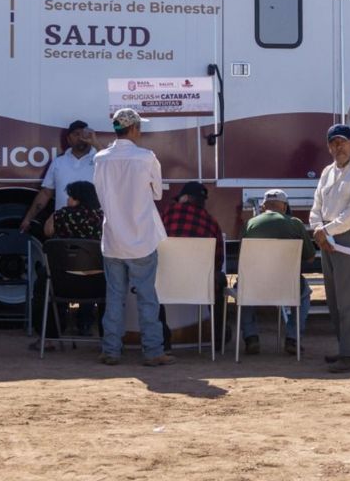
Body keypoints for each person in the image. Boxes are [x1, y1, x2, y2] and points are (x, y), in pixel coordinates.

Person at [93, 108, 172, 367]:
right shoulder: (146, 157)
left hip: (113, 239)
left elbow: (100, 194)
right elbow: (158, 194)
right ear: (135, 129)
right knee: (147, 296)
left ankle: (111, 350)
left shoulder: (101, 158)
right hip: (141, 238)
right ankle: (152, 351)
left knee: (114, 296)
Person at [310, 124, 350, 373]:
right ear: (329, 147)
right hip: (328, 236)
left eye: (343, 142)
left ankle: (349, 354)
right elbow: (317, 205)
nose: (339, 147)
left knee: (349, 298)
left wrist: (325, 231)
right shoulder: (328, 171)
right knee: (335, 298)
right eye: (334, 143)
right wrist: (318, 229)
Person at [238, 189, 315, 356]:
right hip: (286, 285)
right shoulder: (295, 223)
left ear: (264, 206)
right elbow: (310, 258)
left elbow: (241, 258)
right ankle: (292, 339)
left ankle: (251, 338)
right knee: (305, 294)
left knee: (243, 287)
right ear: (284, 206)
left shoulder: (250, 224)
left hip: (255, 285)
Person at [159, 181, 226, 353]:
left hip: (167, 282)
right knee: (219, 281)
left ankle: (163, 342)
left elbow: (155, 241)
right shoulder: (212, 223)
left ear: (186, 197)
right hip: (200, 284)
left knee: (152, 288)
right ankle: (218, 339)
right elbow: (218, 259)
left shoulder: (168, 212)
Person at [46, 180, 103, 336]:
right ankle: (102, 335)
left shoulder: (60, 215)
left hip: (62, 283)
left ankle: (50, 336)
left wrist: (56, 214)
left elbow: (47, 231)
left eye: (70, 196)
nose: (67, 200)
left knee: (42, 285)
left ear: (78, 198)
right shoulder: (101, 217)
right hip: (96, 285)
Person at [20, 120, 96, 234]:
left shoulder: (100, 159)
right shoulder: (58, 162)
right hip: (64, 225)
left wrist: (96, 143)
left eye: (84, 134)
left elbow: (113, 164)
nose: (81, 138)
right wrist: (28, 219)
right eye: (76, 134)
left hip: (92, 225)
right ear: (68, 139)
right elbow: (46, 193)